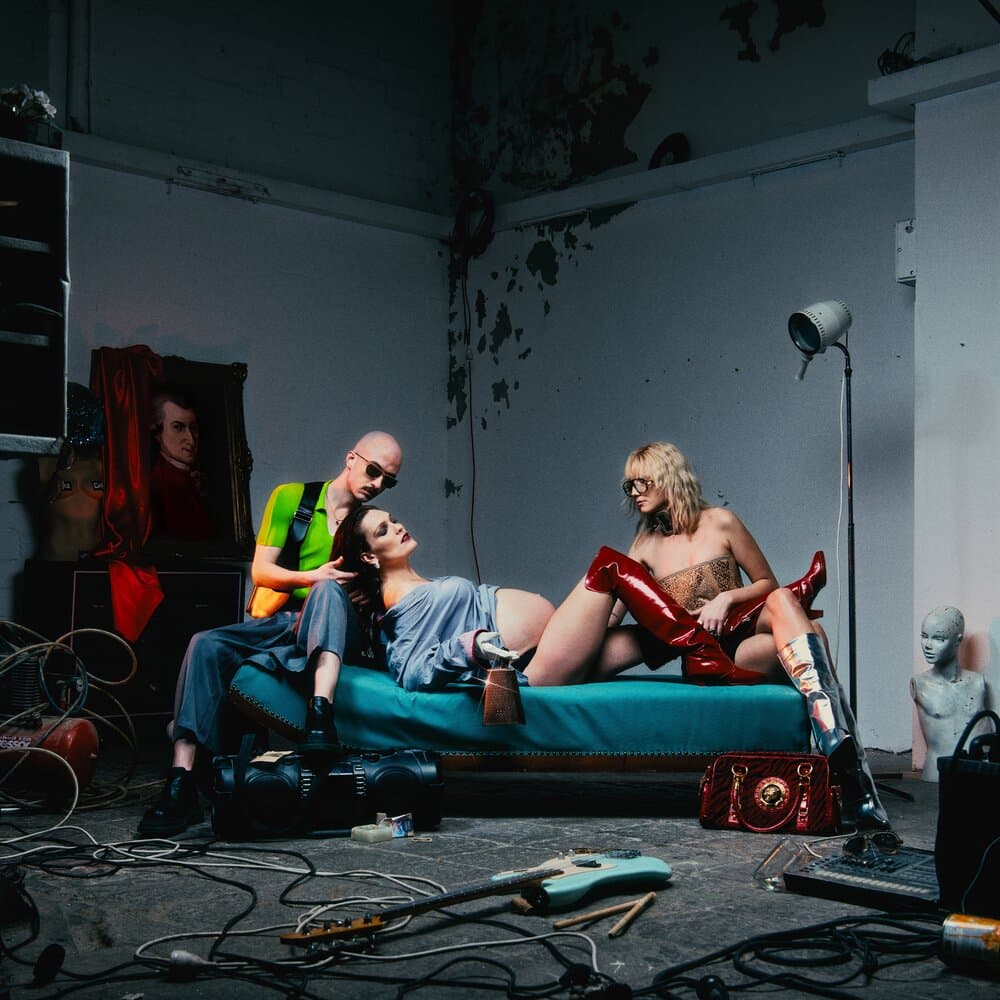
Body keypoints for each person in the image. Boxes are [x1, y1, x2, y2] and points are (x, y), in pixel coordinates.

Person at [325, 440, 888, 831]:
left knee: (791, 609)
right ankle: (714, 648)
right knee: (617, 568)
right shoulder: (398, 612)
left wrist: (721, 600)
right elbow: (412, 666)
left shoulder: (720, 521)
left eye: (642, 481)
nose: (634, 492)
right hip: (545, 666)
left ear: (667, 477)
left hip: (736, 637)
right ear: (369, 558)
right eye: (628, 485)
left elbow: (758, 583)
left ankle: (848, 764)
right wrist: (479, 646)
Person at [137, 430, 403, 837]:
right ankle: (181, 780)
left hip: (338, 627)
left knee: (329, 592)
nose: (378, 483)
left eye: (389, 480)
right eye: (373, 471)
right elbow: (261, 572)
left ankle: (320, 717)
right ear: (351, 459)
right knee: (205, 644)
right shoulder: (293, 499)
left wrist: (365, 592)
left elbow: (387, 579)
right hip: (287, 621)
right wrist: (312, 577)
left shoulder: (370, 522)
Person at [910, 605, 989, 782]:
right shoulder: (920, 684)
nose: (928, 645)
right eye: (924, 636)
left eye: (939, 639)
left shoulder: (978, 682)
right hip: (938, 773)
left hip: (976, 773)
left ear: (957, 640)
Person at [149, 387, 212, 540]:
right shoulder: (160, 483)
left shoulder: (192, 478)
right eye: (178, 427)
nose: (190, 439)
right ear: (157, 432)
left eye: (193, 428)